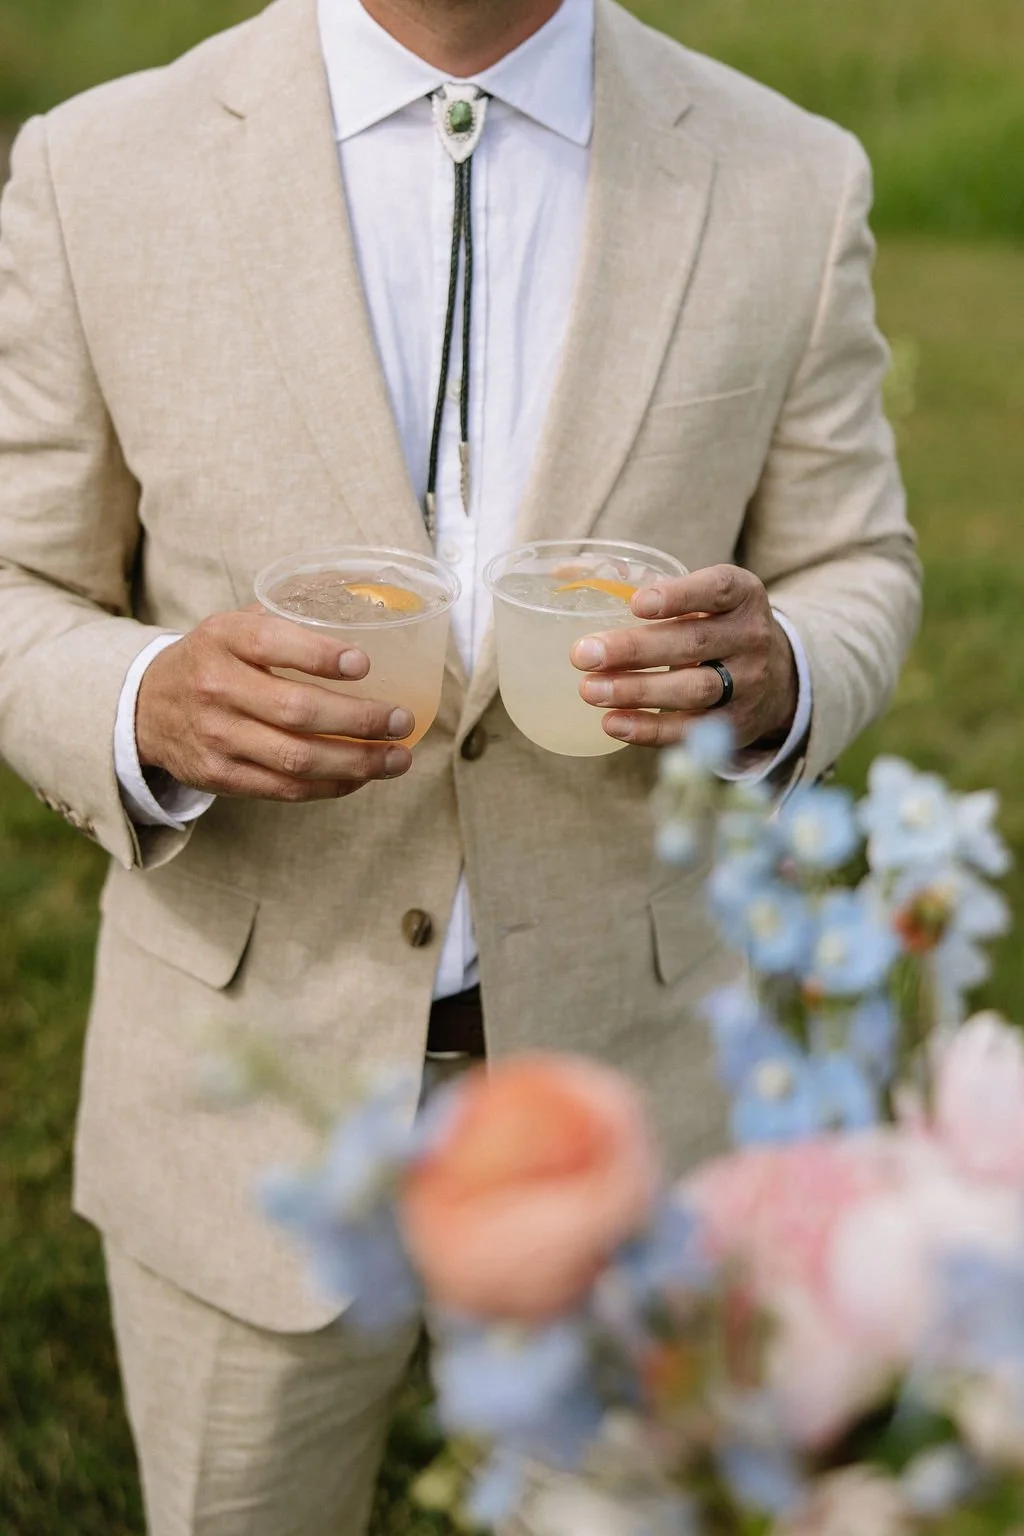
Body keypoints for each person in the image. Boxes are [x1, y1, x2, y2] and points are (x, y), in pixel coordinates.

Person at [0, 0, 920, 1529]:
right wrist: (144, 699)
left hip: (640, 1095)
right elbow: (18, 579)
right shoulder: (98, 164)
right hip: (241, 1105)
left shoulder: (789, 174)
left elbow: (858, 559)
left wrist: (783, 671)